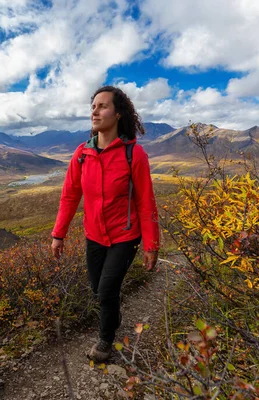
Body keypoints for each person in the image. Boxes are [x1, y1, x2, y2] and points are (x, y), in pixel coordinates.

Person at [50, 85, 160, 362]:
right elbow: (70, 196)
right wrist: (58, 234)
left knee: (108, 290)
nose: (95, 112)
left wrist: (151, 244)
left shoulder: (134, 155)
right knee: (98, 289)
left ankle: (105, 342)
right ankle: (112, 317)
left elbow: (146, 202)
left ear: (118, 113)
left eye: (102, 106)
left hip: (125, 236)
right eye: (93, 107)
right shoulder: (82, 154)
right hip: (94, 235)